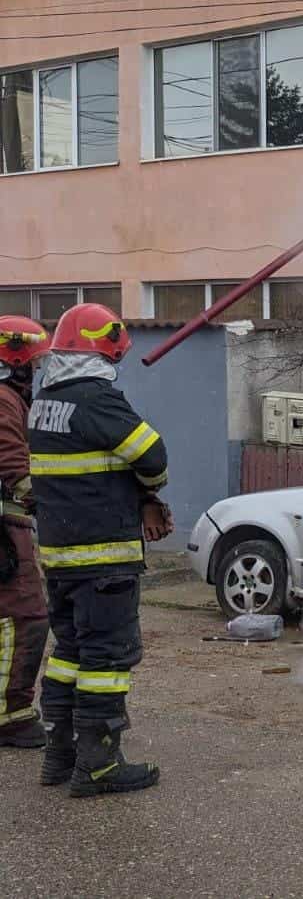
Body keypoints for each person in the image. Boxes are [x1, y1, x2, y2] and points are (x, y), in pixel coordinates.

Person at [29, 304, 173, 796]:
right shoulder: (97, 400)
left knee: (70, 653)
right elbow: (152, 455)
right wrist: (150, 491)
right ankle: (99, 764)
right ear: (104, 350)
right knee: (106, 661)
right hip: (104, 557)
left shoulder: (44, 400)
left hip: (61, 559)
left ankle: (61, 755)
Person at [0, 316, 51, 749]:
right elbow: (13, 464)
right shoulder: (2, 400)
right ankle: (11, 715)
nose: (37, 371)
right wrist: (55, 506)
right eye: (33, 364)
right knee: (26, 616)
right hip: (5, 525)